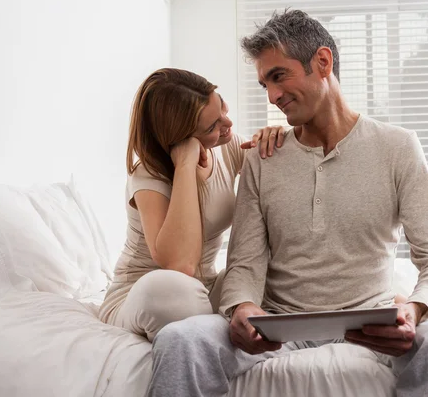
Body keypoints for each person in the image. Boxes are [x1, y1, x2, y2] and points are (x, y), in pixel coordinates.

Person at [147, 9, 428, 397]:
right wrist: (241, 308)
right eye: (264, 85)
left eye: (279, 76)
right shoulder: (263, 157)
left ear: (322, 63)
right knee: (180, 340)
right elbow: (244, 263)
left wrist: (413, 311)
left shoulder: (397, 147)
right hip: (277, 325)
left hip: (372, 323)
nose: (273, 96)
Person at [98, 68, 287, 341]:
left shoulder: (226, 144)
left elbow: (280, 180)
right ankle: (209, 326)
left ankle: (210, 325)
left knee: (274, 278)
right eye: (212, 126)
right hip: (145, 295)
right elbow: (180, 265)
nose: (228, 123)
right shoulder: (148, 175)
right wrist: (185, 164)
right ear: (179, 137)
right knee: (170, 290)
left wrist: (275, 139)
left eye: (221, 107)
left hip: (206, 291)